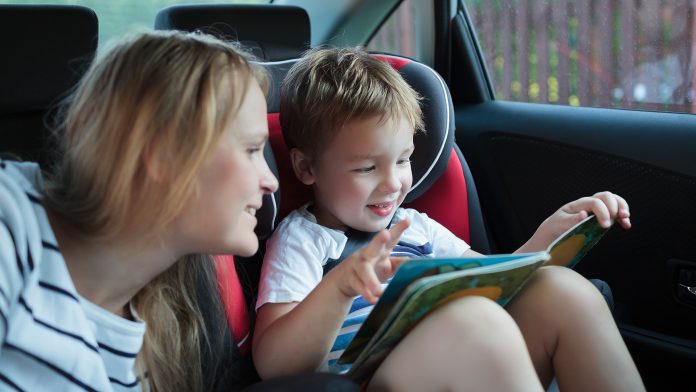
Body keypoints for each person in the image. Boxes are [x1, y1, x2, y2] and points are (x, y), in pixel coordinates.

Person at [253, 46, 645, 391]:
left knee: (562, 289)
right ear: (306, 168)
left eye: (403, 160)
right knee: (473, 319)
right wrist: (340, 288)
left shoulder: (416, 228)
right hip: (374, 378)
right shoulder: (303, 240)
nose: (393, 183)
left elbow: (493, 279)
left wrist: (548, 237)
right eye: (366, 168)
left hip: (467, 361)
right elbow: (274, 364)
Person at [0, 30, 286, 391]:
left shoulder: (140, 355)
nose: (271, 181)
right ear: (164, 157)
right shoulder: (11, 218)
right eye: (251, 149)